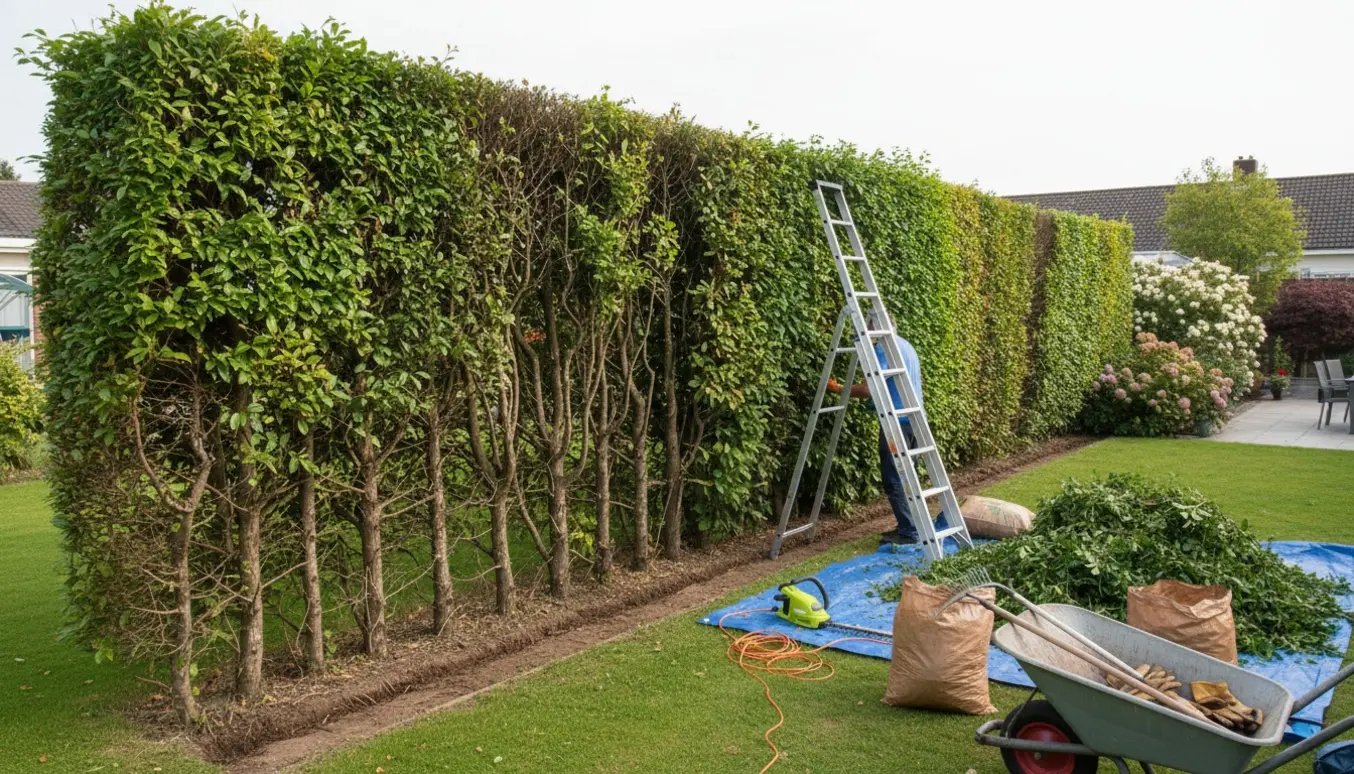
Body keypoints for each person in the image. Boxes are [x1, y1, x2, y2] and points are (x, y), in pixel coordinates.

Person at [827, 330, 950, 545]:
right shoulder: (906, 345)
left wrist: (837, 388)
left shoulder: (883, 348)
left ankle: (909, 531)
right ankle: (914, 525)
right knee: (908, 476)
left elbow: (868, 389)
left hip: (897, 422)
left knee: (894, 478)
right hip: (916, 420)